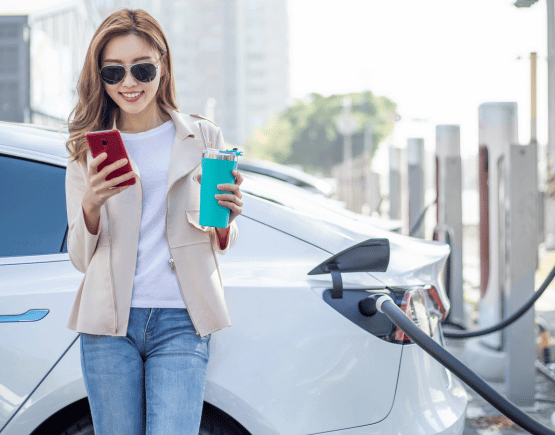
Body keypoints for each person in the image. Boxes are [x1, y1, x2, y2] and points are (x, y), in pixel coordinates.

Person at [64, 8, 242, 435]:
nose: (129, 83)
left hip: (182, 318)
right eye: (114, 72)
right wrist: (91, 205)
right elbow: (79, 258)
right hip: (109, 324)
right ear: (100, 76)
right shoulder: (86, 150)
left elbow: (220, 236)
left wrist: (225, 218)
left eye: (143, 69)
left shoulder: (203, 137)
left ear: (162, 68)